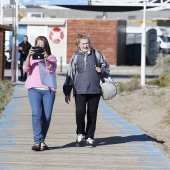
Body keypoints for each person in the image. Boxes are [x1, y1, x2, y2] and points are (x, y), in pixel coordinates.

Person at [63, 34, 110, 147]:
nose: (85, 45)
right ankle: (80, 134)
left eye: (87, 43)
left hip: (95, 90)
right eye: (83, 43)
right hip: (80, 90)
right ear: (78, 45)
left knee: (92, 114)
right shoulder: (75, 56)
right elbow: (70, 74)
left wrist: (101, 70)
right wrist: (67, 91)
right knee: (80, 113)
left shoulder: (96, 54)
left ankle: (90, 137)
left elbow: (106, 67)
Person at [23, 36, 57, 151]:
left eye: (43, 45)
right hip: (34, 89)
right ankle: (38, 141)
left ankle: (42, 140)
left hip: (48, 90)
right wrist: (28, 55)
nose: (41, 47)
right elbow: (26, 69)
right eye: (38, 45)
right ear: (35, 45)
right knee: (36, 114)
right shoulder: (32, 58)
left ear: (46, 46)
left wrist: (45, 59)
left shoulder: (52, 57)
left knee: (46, 116)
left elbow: (51, 69)